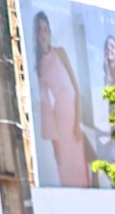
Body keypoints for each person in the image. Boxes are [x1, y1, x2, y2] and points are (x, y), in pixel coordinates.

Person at [31, 11, 92, 188]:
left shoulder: (60, 53)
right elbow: (46, 109)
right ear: (36, 34)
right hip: (60, 121)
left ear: (50, 32)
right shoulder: (40, 66)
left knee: (83, 165)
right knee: (66, 167)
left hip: (73, 117)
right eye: (39, 30)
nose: (43, 33)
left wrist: (77, 124)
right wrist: (55, 145)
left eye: (45, 29)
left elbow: (76, 88)